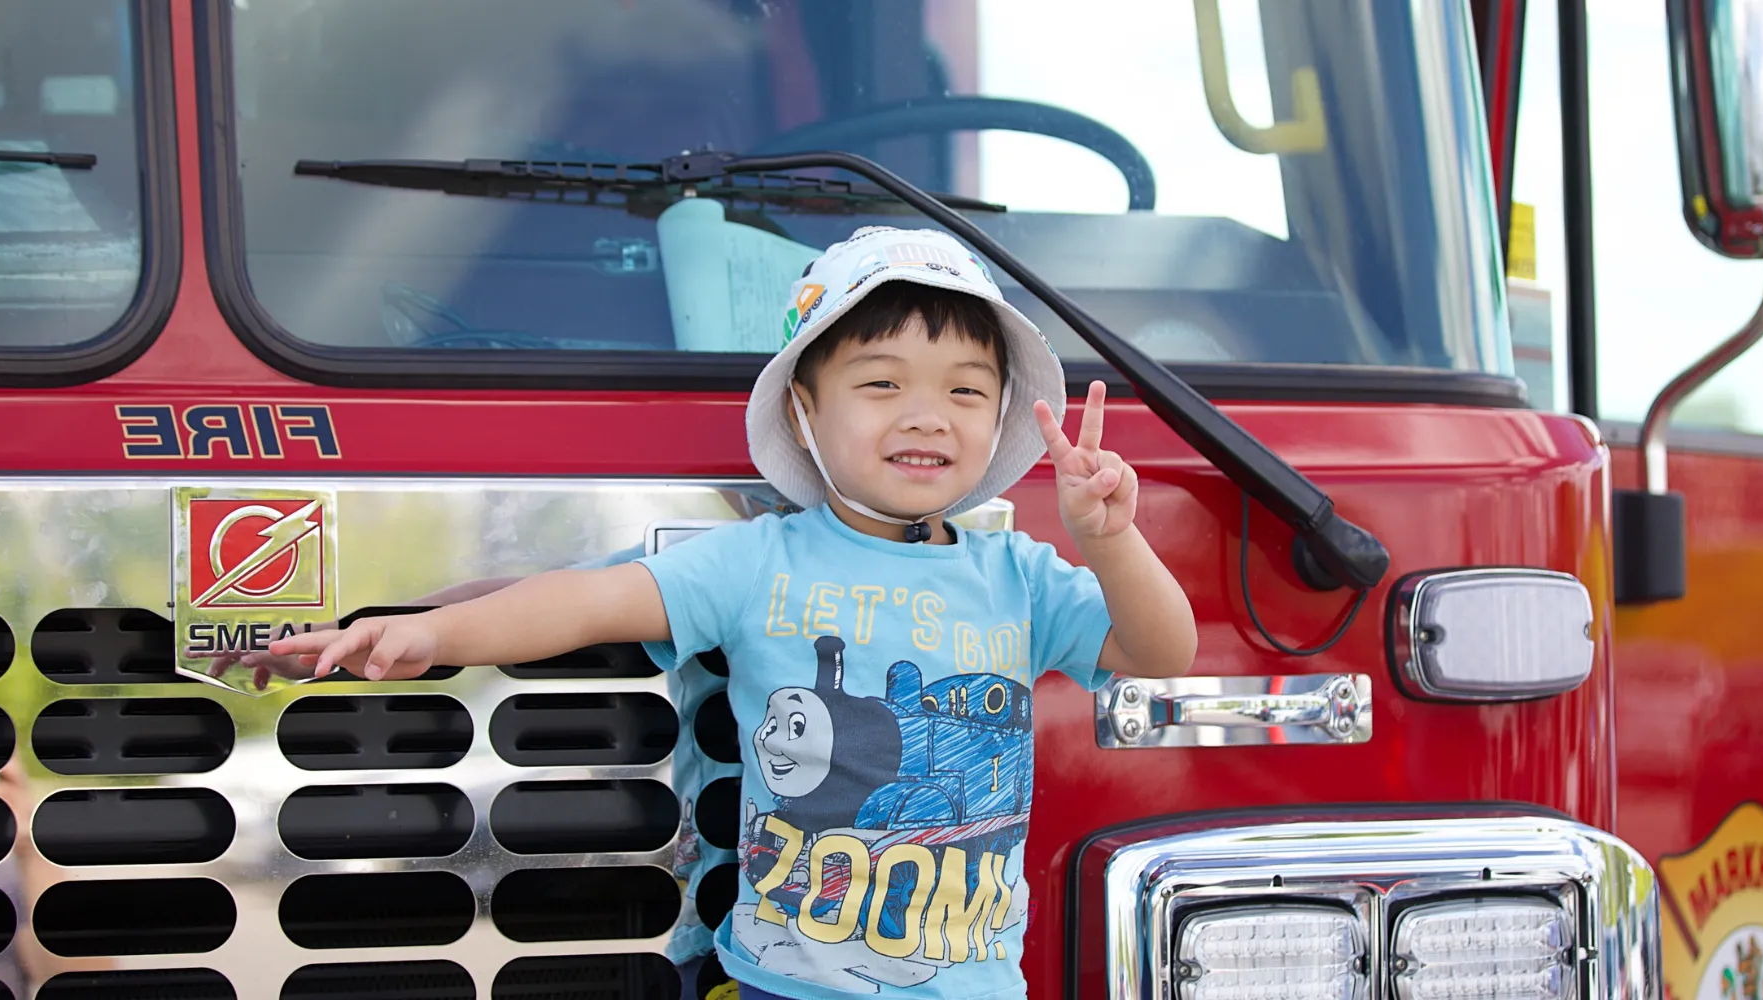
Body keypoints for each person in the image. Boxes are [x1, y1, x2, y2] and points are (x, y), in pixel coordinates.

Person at [271, 226, 1197, 1000]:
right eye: (881, 384)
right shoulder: (759, 562)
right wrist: (432, 635)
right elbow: (584, 602)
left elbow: (1160, 653)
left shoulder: (1021, 575)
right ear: (805, 412)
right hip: (784, 982)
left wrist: (1110, 539)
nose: (928, 415)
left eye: (964, 389)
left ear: (998, 418)